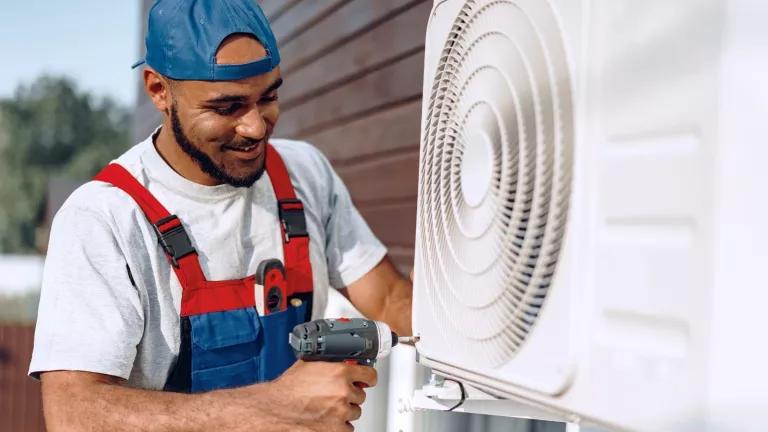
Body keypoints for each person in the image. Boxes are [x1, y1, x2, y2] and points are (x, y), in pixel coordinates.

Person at [28, 1, 413, 431]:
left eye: (268, 97)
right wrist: (273, 408)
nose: (255, 127)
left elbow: (388, 301)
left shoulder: (305, 174)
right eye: (227, 107)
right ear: (158, 91)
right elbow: (74, 415)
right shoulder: (105, 218)